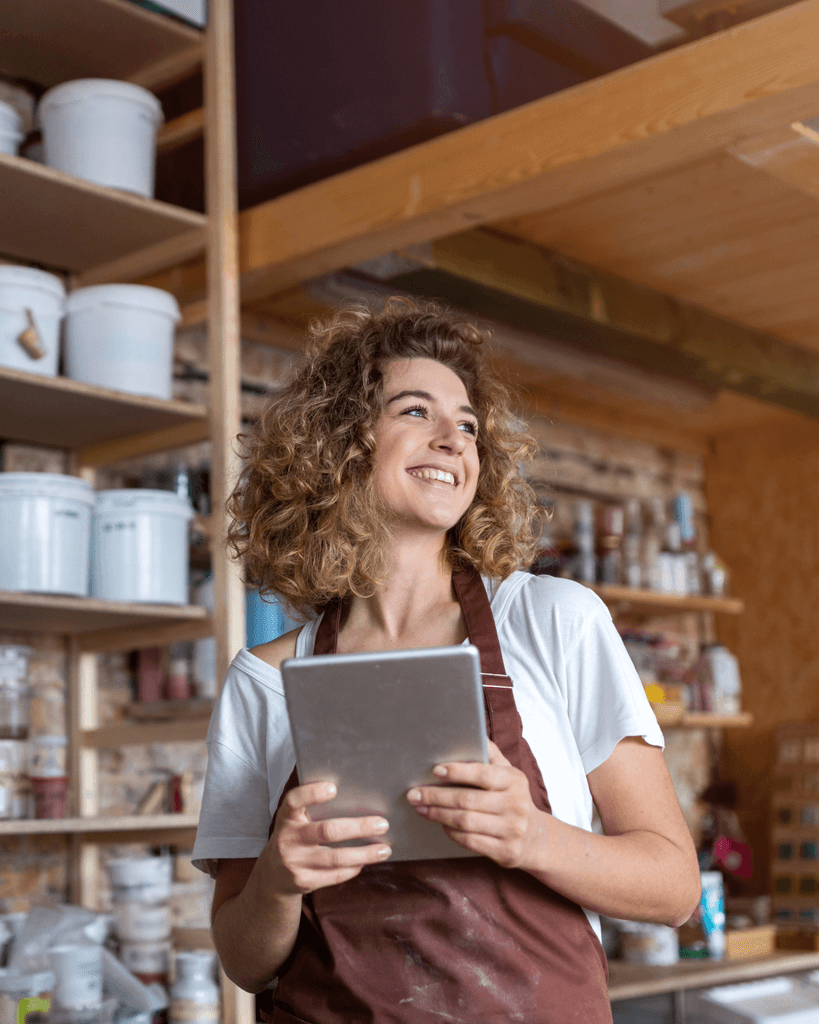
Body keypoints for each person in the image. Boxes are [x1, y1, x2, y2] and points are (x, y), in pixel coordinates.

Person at [191, 298, 701, 1023]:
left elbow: (675, 887)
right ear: (340, 445)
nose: (452, 440)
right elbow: (245, 962)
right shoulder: (266, 681)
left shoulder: (552, 621)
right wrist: (277, 879)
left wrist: (533, 836)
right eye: (414, 411)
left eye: (467, 426)